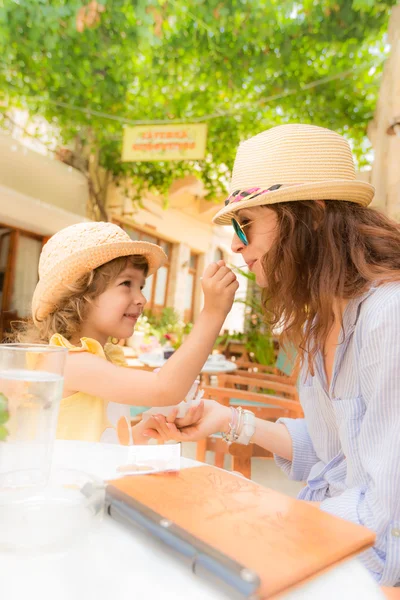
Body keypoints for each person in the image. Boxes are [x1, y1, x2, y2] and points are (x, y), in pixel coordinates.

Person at [145, 124, 400, 588]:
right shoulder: (319, 322)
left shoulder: (388, 316)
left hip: (364, 571)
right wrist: (228, 420)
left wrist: (270, 525)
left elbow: (390, 517)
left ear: (313, 216)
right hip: (328, 543)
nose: (237, 244)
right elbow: (335, 455)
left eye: (246, 224)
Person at [17, 221, 238, 445]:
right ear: (80, 296)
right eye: (126, 283)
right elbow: (165, 389)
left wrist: (144, 431)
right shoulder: (68, 363)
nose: (142, 299)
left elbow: (98, 443)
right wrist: (213, 313)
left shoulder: (97, 358)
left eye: (140, 287)